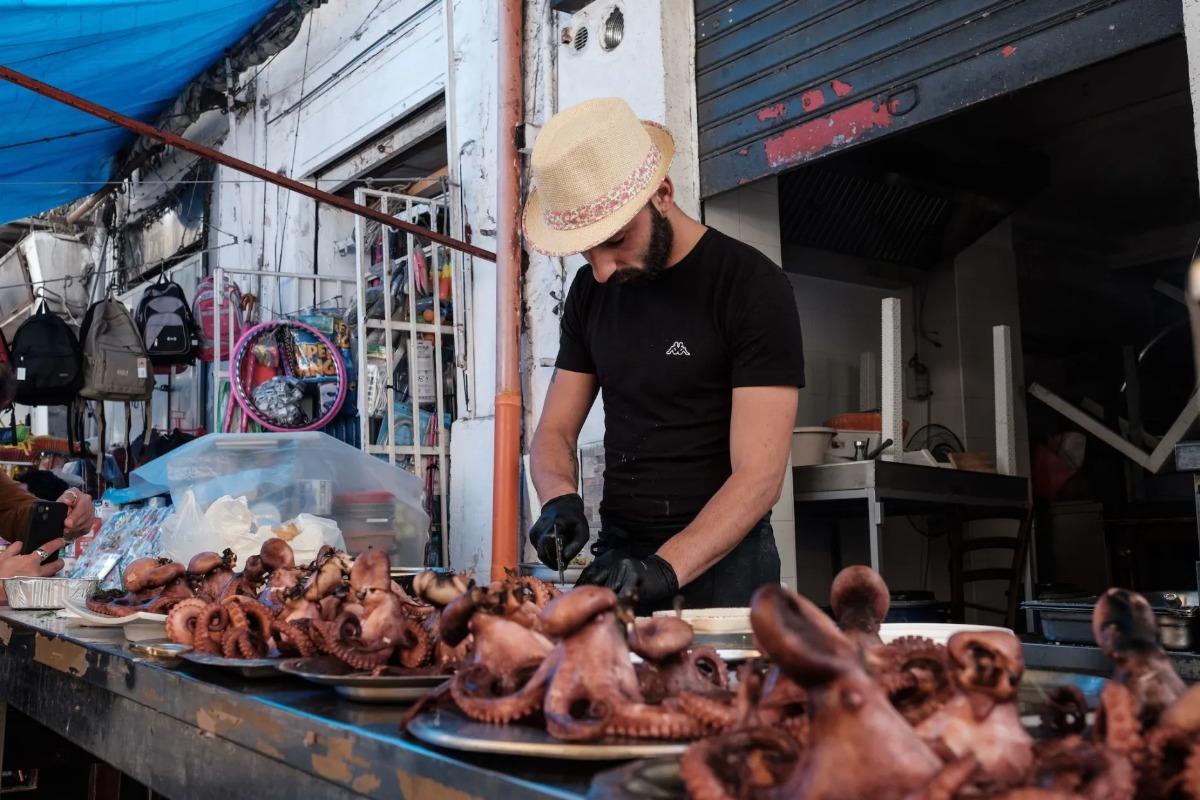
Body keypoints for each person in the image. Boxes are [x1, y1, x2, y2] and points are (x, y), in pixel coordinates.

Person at [523, 98, 804, 612]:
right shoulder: (590, 293)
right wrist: (557, 497)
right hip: (620, 557)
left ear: (663, 195)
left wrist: (665, 568)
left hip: (725, 569)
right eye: (587, 253)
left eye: (615, 242)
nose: (603, 270)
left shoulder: (751, 286)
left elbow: (759, 476)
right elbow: (554, 432)